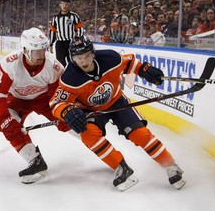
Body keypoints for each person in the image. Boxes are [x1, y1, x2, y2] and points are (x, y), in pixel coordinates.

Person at [49, 35, 186, 191]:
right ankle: (121, 168)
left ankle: (171, 165)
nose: (84, 61)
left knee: (139, 134)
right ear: (73, 59)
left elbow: (129, 63)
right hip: (92, 110)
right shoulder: (69, 78)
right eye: (79, 58)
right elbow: (56, 103)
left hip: (116, 101)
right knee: (89, 135)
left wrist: (143, 69)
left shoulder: (110, 58)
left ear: (93, 53)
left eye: (87, 56)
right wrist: (66, 111)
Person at [0, 27, 70, 184]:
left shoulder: (54, 66)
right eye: (35, 51)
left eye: (43, 50)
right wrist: (4, 119)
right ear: (25, 49)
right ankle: (36, 161)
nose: (41, 55)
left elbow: (59, 96)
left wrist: (66, 114)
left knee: (71, 121)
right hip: (17, 99)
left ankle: (98, 142)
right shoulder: (9, 63)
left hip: (44, 99)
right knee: (9, 127)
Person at [49, 0, 84, 66]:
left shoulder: (74, 16)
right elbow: (53, 31)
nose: (64, 6)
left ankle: (74, 76)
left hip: (71, 42)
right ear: (60, 5)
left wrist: (79, 38)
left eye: (66, 4)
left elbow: (80, 28)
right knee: (60, 63)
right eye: (63, 4)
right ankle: (62, 77)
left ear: (69, 5)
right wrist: (51, 43)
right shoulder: (55, 18)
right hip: (60, 43)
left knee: (73, 62)